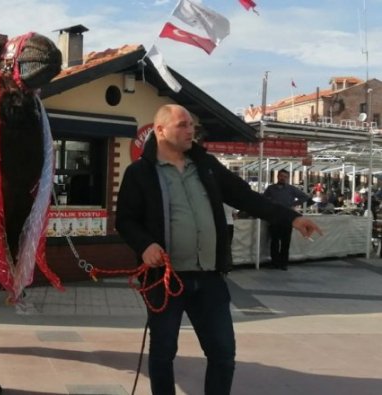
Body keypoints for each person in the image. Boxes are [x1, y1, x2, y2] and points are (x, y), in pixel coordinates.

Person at [115, 104, 321, 395]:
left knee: (223, 354)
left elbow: (245, 197)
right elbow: (125, 219)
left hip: (210, 278)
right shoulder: (140, 172)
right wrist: (145, 244)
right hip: (165, 280)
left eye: (192, 126)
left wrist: (292, 217)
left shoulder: (206, 166)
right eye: (183, 125)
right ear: (160, 130)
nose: (191, 131)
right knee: (162, 354)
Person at [263, 170, 311, 270]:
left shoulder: (291, 189)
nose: (283, 178)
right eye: (281, 176)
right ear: (277, 176)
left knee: (285, 242)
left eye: (285, 176)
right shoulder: (271, 189)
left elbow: (305, 197)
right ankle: (275, 262)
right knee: (274, 242)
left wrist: (293, 204)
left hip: (287, 218)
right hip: (274, 218)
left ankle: (283, 263)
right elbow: (263, 199)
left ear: (288, 178)